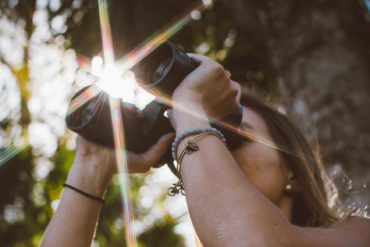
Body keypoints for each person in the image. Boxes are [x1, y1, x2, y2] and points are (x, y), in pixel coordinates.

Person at [41, 54, 370, 246]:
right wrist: (92, 166)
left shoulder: (358, 234)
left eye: (234, 136)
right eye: (189, 143)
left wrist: (189, 107)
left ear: (294, 173)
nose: (217, 151)